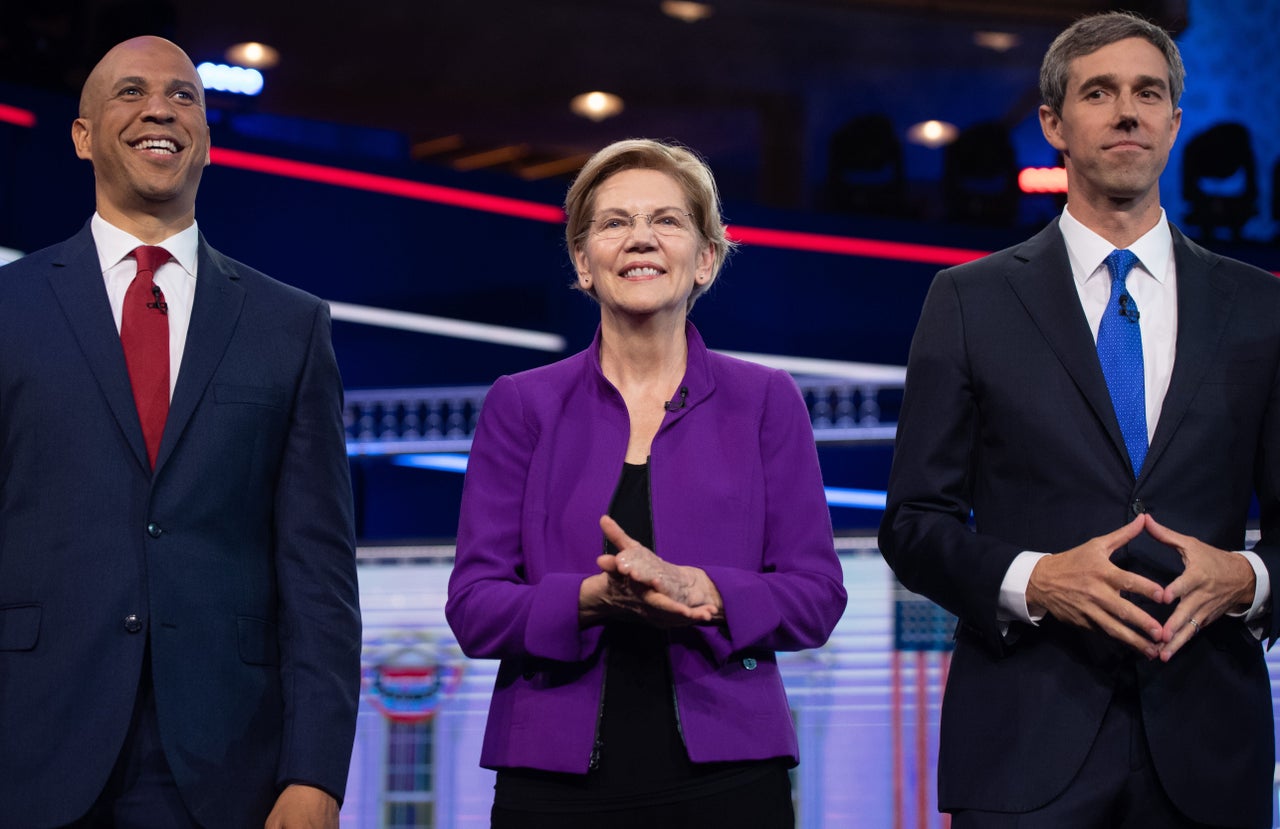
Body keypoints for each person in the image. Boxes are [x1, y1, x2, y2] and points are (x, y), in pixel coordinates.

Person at [879, 11, 1279, 829]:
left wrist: (1248, 578)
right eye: (1099, 92)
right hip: (1025, 741)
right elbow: (915, 525)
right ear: (1054, 125)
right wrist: (1037, 580)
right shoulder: (968, 300)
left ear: (1175, 118)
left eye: (1149, 92)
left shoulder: (1261, 307)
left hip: (1209, 752)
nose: (1127, 111)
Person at [0, 36, 361, 828]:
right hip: (26, 749)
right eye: (130, 92)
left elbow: (319, 574)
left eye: (184, 95)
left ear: (204, 139)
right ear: (84, 135)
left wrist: (316, 773)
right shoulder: (7, 309)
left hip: (228, 763)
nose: (161, 107)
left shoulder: (289, 326)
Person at [446, 138, 847, 828]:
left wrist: (709, 592)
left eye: (666, 220)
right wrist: (591, 599)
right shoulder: (521, 403)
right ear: (582, 262)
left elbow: (816, 596)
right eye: (613, 222)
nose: (640, 239)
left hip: (729, 777)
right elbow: (475, 607)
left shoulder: (766, 400)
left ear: (706, 258)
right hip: (551, 781)